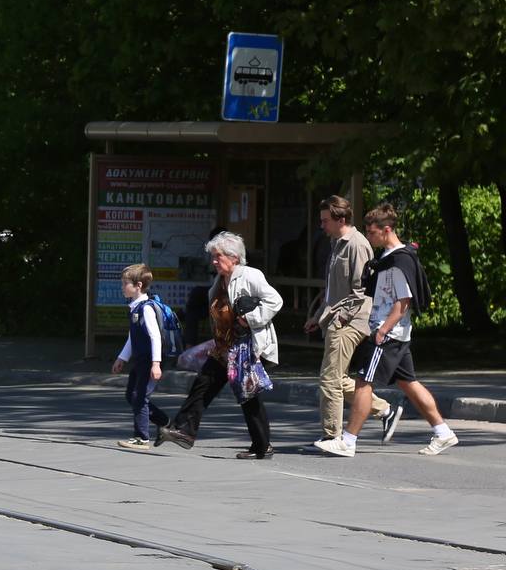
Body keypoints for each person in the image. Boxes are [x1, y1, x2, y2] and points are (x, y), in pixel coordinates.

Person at [315, 203, 456, 457]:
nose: (369, 237)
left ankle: (348, 441)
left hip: (387, 333)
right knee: (409, 383)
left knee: (363, 383)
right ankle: (443, 432)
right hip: (397, 334)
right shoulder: (387, 259)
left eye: (372, 233)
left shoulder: (399, 262)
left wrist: (382, 331)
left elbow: (403, 302)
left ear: (387, 230)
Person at [156, 231, 284, 459]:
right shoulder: (220, 281)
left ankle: (262, 446)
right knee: (202, 385)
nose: (214, 261)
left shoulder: (249, 275)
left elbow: (275, 300)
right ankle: (184, 431)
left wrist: (250, 319)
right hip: (224, 347)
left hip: (246, 347)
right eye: (213, 256)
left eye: (218, 256)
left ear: (234, 257)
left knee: (248, 395)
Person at [303, 195, 398, 448]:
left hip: (351, 321)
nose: (321, 225)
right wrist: (318, 316)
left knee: (329, 379)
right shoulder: (336, 244)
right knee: (339, 378)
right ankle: (385, 410)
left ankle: (332, 435)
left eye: (325, 220)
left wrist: (340, 318)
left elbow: (361, 289)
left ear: (340, 219)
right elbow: (333, 290)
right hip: (335, 318)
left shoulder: (357, 244)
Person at [111, 263, 168, 451]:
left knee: (139, 396)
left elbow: (155, 337)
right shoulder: (135, 308)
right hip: (140, 359)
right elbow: (132, 338)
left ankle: (141, 437)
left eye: (125, 283)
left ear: (138, 286)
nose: (122, 287)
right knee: (132, 395)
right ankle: (164, 422)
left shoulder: (146, 308)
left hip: (149, 360)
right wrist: (122, 358)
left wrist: (156, 364)